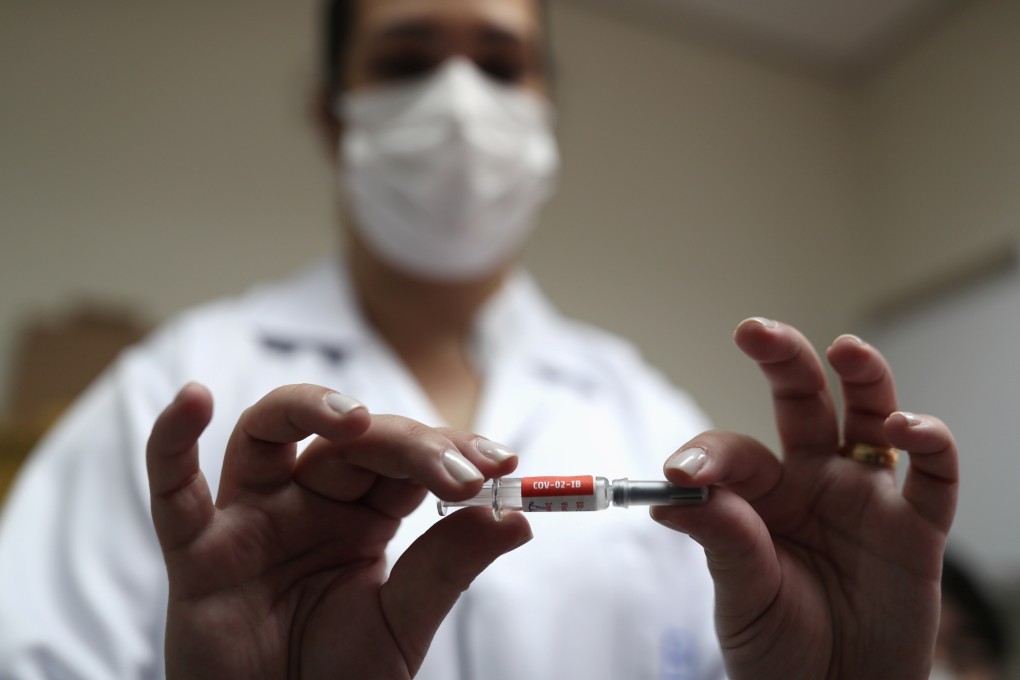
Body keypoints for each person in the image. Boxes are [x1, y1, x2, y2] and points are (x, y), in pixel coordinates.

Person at [0, 0, 959, 678]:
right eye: (407, 61)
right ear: (332, 114)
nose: (460, 101)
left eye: (501, 66)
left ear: (545, 114)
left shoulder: (645, 413)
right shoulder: (175, 391)